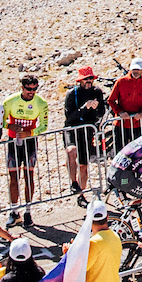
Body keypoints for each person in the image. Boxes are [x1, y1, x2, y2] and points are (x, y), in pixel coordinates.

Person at [3, 77, 51, 216]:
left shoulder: (41, 103)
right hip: (13, 142)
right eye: (29, 89)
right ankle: (14, 212)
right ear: (22, 88)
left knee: (29, 176)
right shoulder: (10, 101)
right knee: (14, 178)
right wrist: (9, 126)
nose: (32, 92)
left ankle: (28, 211)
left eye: (35, 89)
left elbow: (44, 126)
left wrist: (30, 133)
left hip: (30, 143)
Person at [59, 69, 105, 204]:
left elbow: (101, 112)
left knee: (84, 165)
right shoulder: (72, 93)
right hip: (72, 129)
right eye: (86, 79)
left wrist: (96, 109)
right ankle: (73, 182)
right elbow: (69, 116)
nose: (89, 81)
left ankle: (82, 195)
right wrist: (85, 107)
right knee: (71, 151)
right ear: (80, 80)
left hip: (87, 130)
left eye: (91, 78)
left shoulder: (97, 92)